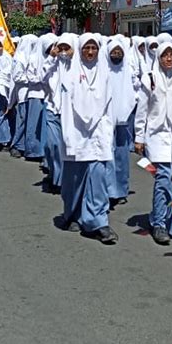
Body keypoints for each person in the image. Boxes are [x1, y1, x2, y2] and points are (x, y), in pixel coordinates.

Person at [135, 37, 172, 245]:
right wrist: (139, 137)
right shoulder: (149, 79)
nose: (168, 59)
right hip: (157, 136)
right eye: (164, 55)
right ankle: (159, 223)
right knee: (163, 179)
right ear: (158, 57)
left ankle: (169, 221)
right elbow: (142, 111)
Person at [60, 33, 118, 245]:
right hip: (76, 132)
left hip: (98, 134)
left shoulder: (105, 74)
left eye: (94, 48)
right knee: (74, 180)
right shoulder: (71, 74)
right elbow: (66, 108)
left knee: (98, 179)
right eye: (87, 48)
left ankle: (98, 221)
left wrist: (108, 133)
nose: (90, 52)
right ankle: (73, 214)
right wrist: (68, 137)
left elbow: (109, 106)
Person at [42, 34, 76, 193]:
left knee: (68, 148)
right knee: (53, 145)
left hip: (71, 114)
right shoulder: (53, 65)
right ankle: (57, 178)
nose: (63, 52)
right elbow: (41, 77)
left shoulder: (77, 66)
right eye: (60, 48)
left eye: (66, 48)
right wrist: (51, 58)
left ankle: (66, 180)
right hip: (52, 110)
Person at [105, 35, 137, 207]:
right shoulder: (103, 70)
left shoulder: (127, 70)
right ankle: (110, 191)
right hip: (106, 120)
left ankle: (121, 189)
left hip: (123, 120)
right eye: (114, 52)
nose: (116, 54)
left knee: (122, 157)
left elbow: (133, 91)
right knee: (108, 155)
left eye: (119, 52)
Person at [9, 34, 38, 159]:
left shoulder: (34, 57)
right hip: (23, 92)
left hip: (32, 93)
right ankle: (16, 145)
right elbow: (17, 77)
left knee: (30, 122)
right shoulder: (19, 58)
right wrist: (31, 79)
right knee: (22, 120)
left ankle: (27, 146)